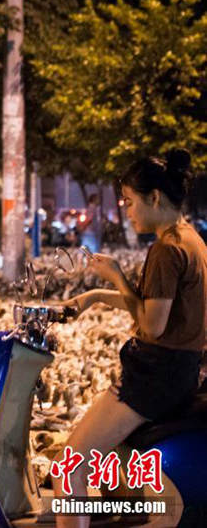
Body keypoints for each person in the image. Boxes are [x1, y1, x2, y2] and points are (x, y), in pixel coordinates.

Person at [56, 150, 206, 528]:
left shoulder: (166, 249)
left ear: (154, 197)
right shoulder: (192, 241)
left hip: (154, 376)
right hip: (180, 371)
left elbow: (152, 326)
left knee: (69, 466)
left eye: (130, 201)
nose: (127, 211)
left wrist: (117, 277)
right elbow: (158, 307)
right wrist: (91, 298)